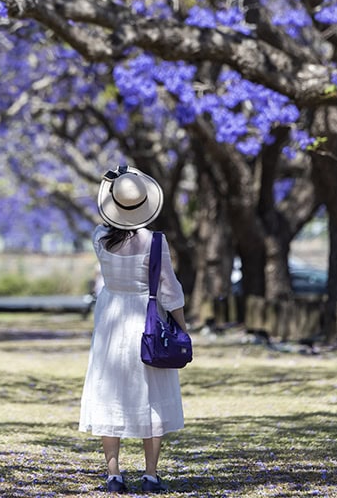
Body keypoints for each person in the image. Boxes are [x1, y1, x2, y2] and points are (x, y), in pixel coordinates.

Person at [79, 164, 187, 494]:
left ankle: (113, 475)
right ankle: (151, 475)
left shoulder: (100, 238)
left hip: (111, 319)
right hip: (146, 320)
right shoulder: (155, 242)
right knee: (151, 396)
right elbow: (170, 292)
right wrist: (182, 329)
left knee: (109, 392)